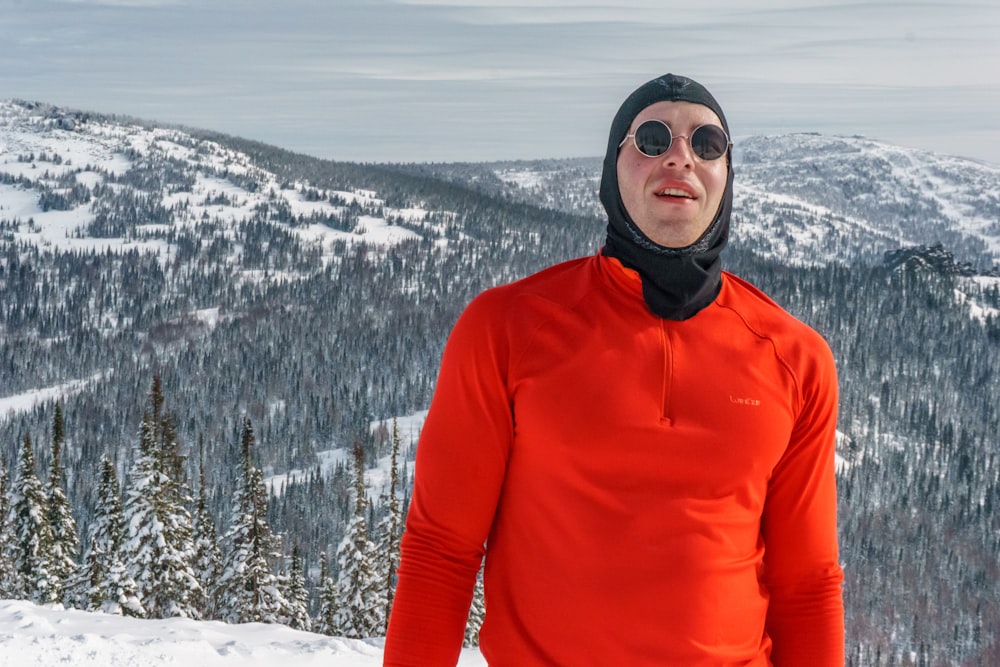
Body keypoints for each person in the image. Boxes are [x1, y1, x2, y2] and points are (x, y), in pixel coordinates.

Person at [384, 73, 844, 666]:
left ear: (727, 175)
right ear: (613, 166)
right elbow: (442, 550)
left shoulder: (795, 357)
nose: (680, 156)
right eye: (652, 138)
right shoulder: (508, 329)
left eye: (707, 144)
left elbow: (806, 584)